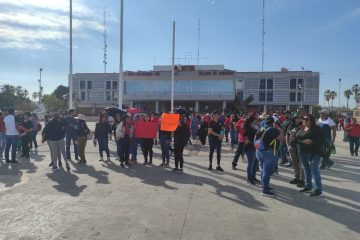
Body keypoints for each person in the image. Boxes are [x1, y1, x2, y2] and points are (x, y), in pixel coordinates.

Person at [255, 116, 285, 197]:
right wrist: (279, 129)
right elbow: (282, 138)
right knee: (267, 172)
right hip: (269, 153)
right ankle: (265, 190)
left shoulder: (260, 129)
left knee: (263, 170)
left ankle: (265, 186)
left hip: (259, 152)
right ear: (273, 122)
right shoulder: (274, 130)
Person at [296, 114, 324, 197]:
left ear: (311, 120)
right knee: (306, 169)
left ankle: (318, 190)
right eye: (303, 119)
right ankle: (308, 186)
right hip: (302, 151)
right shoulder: (301, 128)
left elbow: (322, 140)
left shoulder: (316, 129)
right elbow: (297, 138)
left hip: (314, 152)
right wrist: (302, 142)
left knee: (314, 170)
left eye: (306, 119)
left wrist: (312, 141)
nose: (304, 120)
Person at [286, 114, 305, 187]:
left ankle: (302, 179)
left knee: (301, 163)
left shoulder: (303, 126)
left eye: (300, 118)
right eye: (296, 118)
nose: (298, 119)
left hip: (300, 146)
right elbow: (287, 135)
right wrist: (288, 144)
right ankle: (297, 177)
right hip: (292, 146)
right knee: (294, 163)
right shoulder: (291, 126)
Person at [243, 115, 258, 184]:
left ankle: (253, 177)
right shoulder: (247, 127)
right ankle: (249, 178)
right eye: (255, 119)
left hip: (254, 147)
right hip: (249, 147)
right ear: (252, 120)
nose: (256, 120)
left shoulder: (252, 126)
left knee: (255, 163)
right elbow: (245, 137)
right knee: (251, 163)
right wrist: (251, 142)